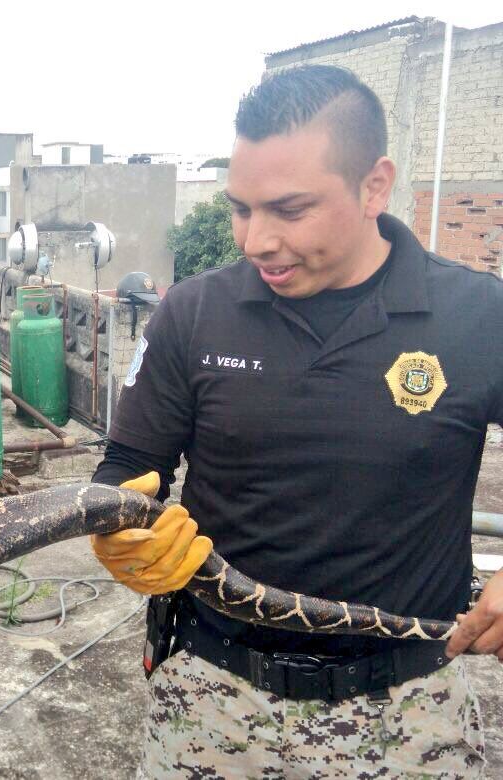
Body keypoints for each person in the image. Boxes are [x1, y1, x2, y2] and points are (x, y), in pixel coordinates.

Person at [91, 64, 503, 778]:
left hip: (409, 710)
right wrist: (118, 530)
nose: (254, 241)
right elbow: (124, 470)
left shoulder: (476, 317)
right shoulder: (194, 312)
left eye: (289, 210)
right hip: (212, 700)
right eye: (241, 208)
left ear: (375, 185)